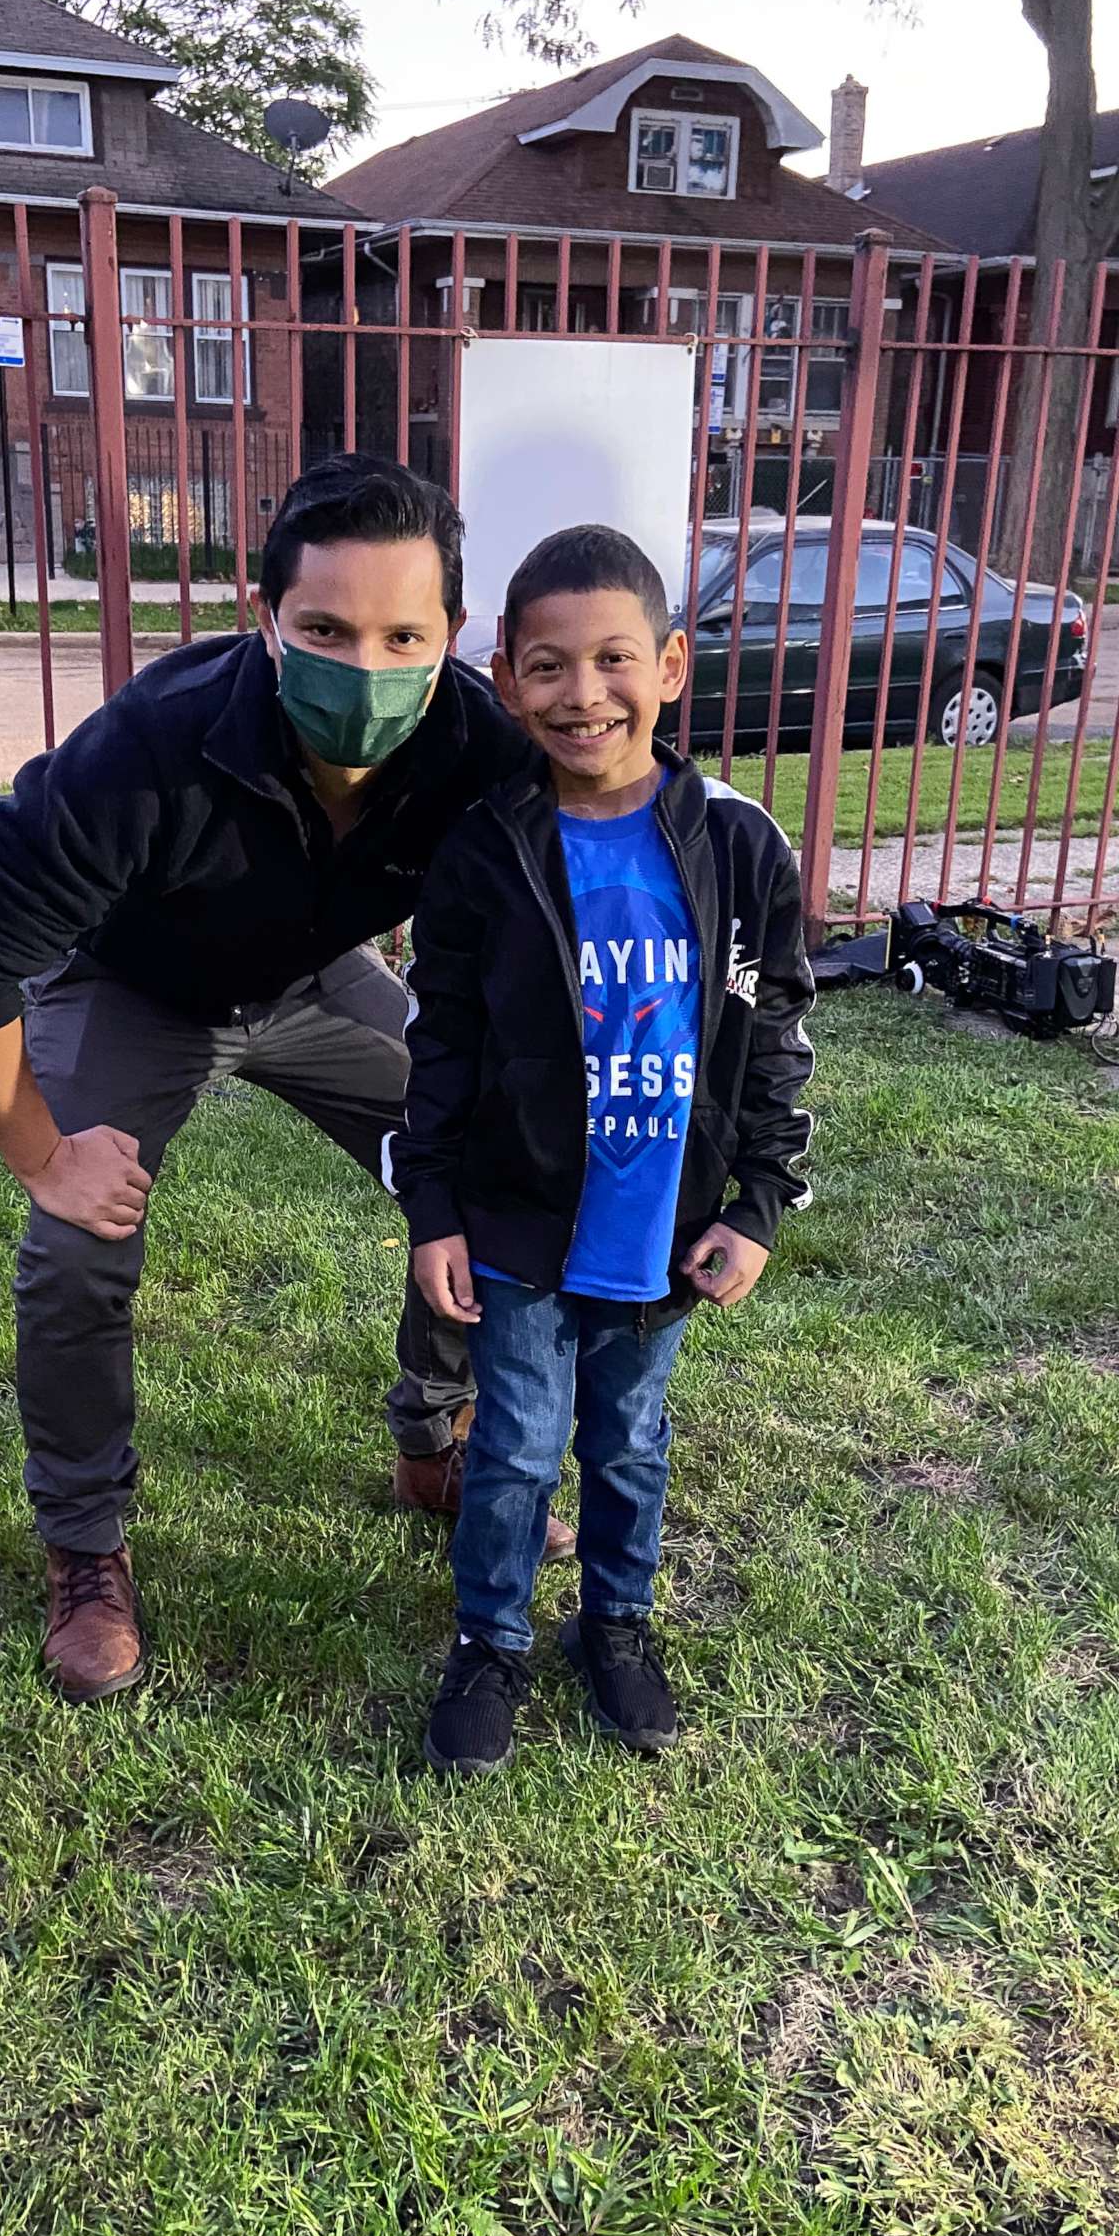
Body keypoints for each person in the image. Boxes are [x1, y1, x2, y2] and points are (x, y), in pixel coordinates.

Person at [0, 455, 574, 1705]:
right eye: (325, 629)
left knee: (495, 1167)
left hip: (321, 983)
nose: (363, 667)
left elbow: (545, 938)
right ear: (266, 621)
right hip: (135, 989)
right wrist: (43, 1154)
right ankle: (85, 1548)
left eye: (401, 635)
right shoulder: (149, 747)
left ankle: (435, 1438)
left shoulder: (481, 753)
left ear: (450, 640)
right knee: (75, 1247)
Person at [391, 524, 816, 1777]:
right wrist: (433, 1210)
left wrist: (760, 1203)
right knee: (517, 1445)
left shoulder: (737, 845)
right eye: (548, 668)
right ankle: (490, 1644)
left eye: (616, 660)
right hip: (520, 1221)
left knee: (630, 1444)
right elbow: (440, 1042)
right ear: (505, 677)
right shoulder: (484, 847)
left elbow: (776, 1031)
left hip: (663, 1227)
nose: (585, 695)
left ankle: (617, 1629)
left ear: (672, 666)